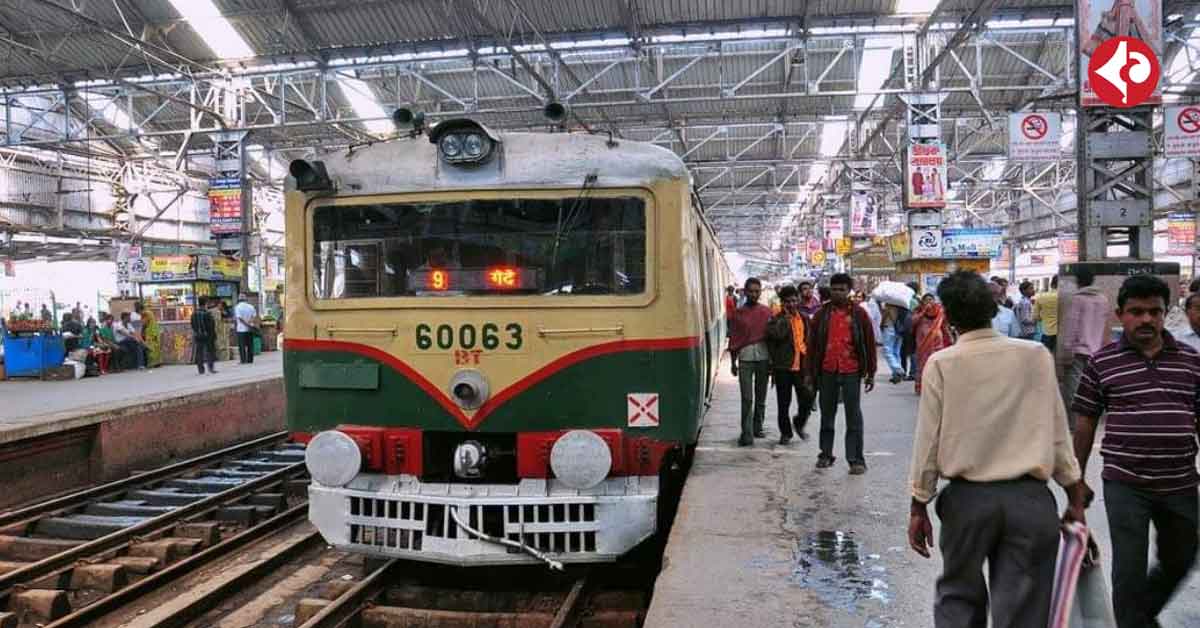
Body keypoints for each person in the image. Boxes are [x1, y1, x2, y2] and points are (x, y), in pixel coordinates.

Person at [907, 270, 1086, 628]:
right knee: (1024, 608)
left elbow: (928, 442)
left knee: (958, 598)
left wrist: (918, 504)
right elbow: (1057, 432)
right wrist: (1075, 496)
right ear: (993, 307)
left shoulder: (942, 363)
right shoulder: (1035, 355)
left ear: (950, 316)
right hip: (1029, 501)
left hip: (967, 503)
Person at [1072, 274, 1200, 628]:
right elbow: (1084, 422)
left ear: (1164, 313)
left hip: (1180, 482)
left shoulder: (1191, 361)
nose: (1146, 320)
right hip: (1126, 483)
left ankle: (1141, 617)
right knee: (1127, 570)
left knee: (1182, 555)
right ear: (1120, 315)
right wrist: (1075, 481)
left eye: (1154, 312)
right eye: (1136, 312)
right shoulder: (1103, 363)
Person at [806, 273, 877, 474]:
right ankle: (825, 455)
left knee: (853, 416)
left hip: (851, 371)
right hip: (827, 370)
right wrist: (809, 374)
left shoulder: (859, 314)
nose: (837, 293)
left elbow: (869, 343)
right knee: (827, 415)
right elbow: (812, 346)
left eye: (842, 289)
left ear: (849, 291)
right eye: (834, 289)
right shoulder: (822, 314)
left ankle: (856, 460)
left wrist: (871, 372)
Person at [1061, 266, 1109, 427]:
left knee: (1074, 389)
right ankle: (1092, 422)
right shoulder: (1103, 299)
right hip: (1097, 352)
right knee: (1094, 388)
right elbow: (1105, 326)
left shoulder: (1078, 299)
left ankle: (1075, 424)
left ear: (1078, 281)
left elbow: (1071, 327)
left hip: (1078, 352)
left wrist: (1067, 352)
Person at [766, 285, 813, 444]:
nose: (792, 304)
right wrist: (785, 319)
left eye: (794, 300)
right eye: (788, 302)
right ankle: (785, 433)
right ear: (782, 303)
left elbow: (809, 340)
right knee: (783, 403)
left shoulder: (804, 318)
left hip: (802, 367)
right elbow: (777, 335)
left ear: (798, 300)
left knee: (807, 399)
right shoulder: (776, 319)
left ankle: (799, 423)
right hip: (783, 367)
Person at [728, 278, 772, 446]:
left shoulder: (767, 312)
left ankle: (757, 427)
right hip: (745, 359)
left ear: (760, 292)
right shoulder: (738, 314)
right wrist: (733, 362)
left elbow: (771, 339)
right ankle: (746, 433)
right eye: (751, 291)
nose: (754, 294)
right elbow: (734, 337)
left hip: (763, 358)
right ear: (745, 292)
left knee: (761, 396)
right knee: (747, 397)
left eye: (757, 291)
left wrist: (772, 362)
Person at [912, 293, 953, 395]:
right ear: (923, 301)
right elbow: (913, 322)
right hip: (923, 342)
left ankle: (936, 387)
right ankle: (921, 387)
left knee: (937, 364)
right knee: (923, 364)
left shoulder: (939, 312)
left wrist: (950, 338)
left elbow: (944, 326)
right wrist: (923, 311)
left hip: (937, 342)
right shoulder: (918, 311)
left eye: (931, 299)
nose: (929, 302)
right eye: (927, 300)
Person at [191, 297, 218, 375]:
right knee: (210, 352)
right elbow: (211, 326)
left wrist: (197, 331)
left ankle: (201, 370)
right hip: (208, 336)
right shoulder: (208, 314)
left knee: (199, 353)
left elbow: (192, 325)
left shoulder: (194, 314)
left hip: (198, 336)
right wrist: (213, 335)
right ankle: (211, 368)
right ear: (206, 303)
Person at [1035, 275, 1059, 352]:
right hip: (1062, 335)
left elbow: (1035, 317)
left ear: (1051, 284)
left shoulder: (1040, 297)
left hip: (1047, 333)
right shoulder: (1066, 298)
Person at [134, 301, 161, 367]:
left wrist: (141, 333)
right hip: (155, 331)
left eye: (138, 312)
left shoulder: (144, 313)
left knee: (150, 347)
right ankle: (157, 362)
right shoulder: (149, 311)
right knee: (155, 347)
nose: (139, 314)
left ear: (140, 310)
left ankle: (152, 363)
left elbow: (144, 324)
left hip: (150, 332)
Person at [234, 293, 258, 365]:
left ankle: (243, 360)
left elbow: (239, 318)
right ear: (245, 299)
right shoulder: (251, 306)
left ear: (239, 299)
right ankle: (250, 359)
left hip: (241, 329)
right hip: (250, 328)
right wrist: (249, 323)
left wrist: (246, 324)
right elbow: (254, 316)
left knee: (242, 345)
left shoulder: (237, 307)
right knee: (250, 345)